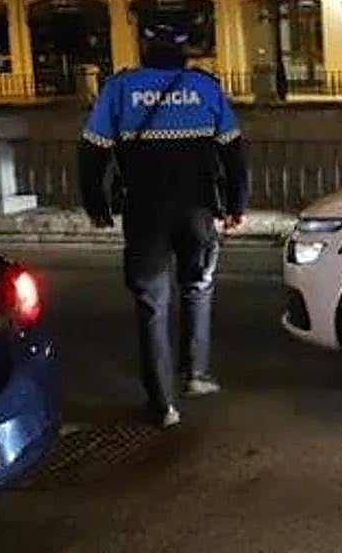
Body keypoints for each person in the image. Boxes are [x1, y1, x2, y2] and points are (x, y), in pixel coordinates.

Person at [78, 23, 249, 429]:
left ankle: (163, 404)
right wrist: (236, 206)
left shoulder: (120, 89)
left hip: (144, 213)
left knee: (152, 304)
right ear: (184, 52)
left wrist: (96, 205)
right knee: (198, 288)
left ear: (144, 50)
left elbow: (91, 154)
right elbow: (234, 154)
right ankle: (197, 374)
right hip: (197, 211)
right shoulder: (205, 88)